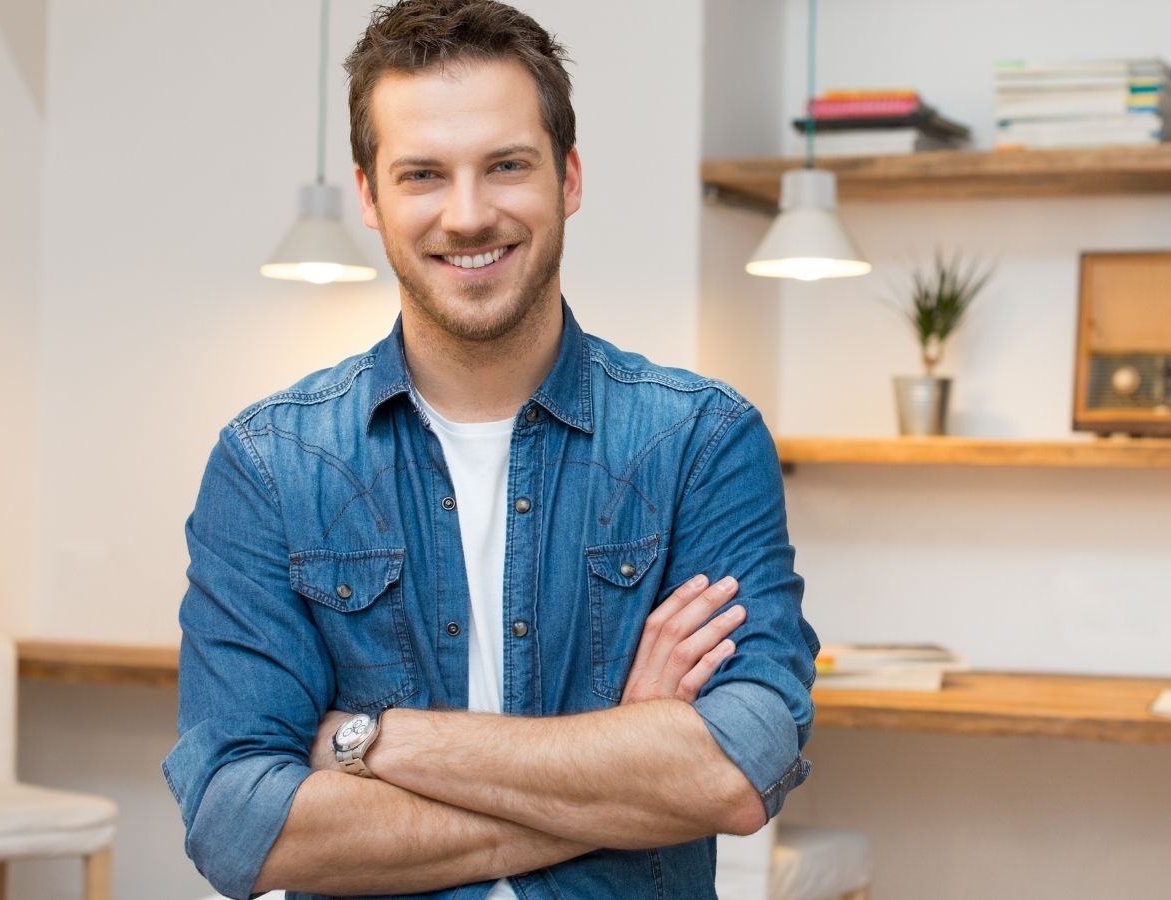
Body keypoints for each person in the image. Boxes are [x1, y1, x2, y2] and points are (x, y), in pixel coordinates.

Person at [162, 2, 818, 898]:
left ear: (569, 178)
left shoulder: (699, 442)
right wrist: (623, 754)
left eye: (506, 166)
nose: (467, 215)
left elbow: (737, 770)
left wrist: (372, 741)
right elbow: (240, 824)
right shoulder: (272, 463)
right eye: (423, 174)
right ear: (368, 196)